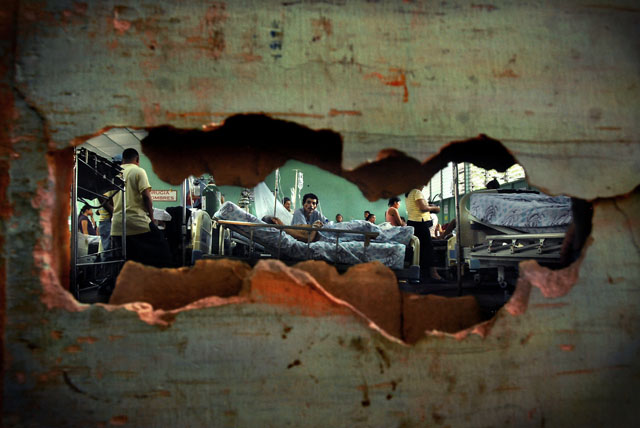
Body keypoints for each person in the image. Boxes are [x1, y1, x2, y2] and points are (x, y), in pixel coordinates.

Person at [110, 148, 172, 269]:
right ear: (137, 159)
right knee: (163, 252)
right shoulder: (138, 171)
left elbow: (105, 199)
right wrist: (152, 219)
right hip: (137, 224)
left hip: (117, 227)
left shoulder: (114, 173)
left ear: (123, 159)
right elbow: (146, 197)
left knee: (123, 263)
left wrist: (117, 215)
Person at [405, 188, 443, 282]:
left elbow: (420, 207)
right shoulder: (417, 192)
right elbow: (423, 208)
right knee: (428, 248)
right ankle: (434, 275)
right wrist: (435, 208)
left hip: (412, 223)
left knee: (418, 250)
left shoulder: (409, 193)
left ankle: (420, 275)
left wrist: (428, 206)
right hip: (420, 223)